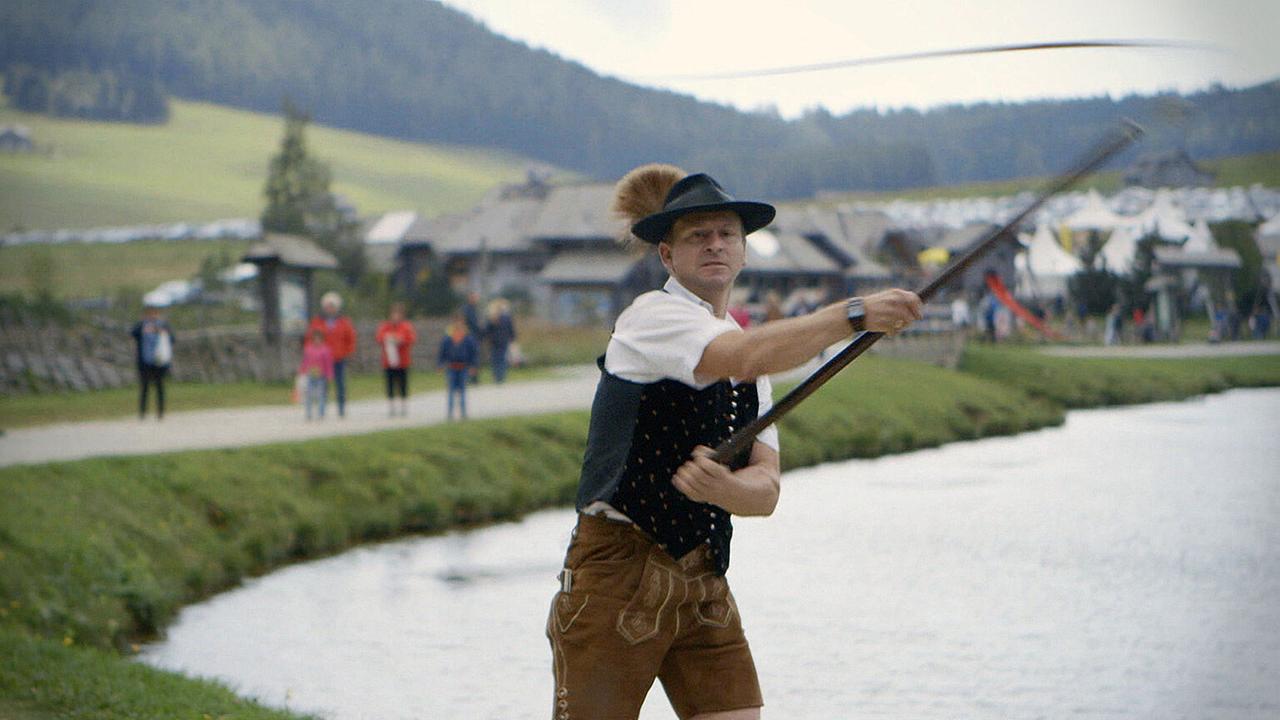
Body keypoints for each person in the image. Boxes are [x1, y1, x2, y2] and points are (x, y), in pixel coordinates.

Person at [546, 165, 922, 719]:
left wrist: (723, 488)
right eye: (698, 236)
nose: (716, 245)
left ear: (744, 251)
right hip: (617, 574)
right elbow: (738, 358)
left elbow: (766, 491)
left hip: (703, 579)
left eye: (727, 234)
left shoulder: (757, 355)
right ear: (668, 257)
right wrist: (854, 314)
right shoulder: (652, 317)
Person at [307, 291, 357, 418]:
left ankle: (341, 408)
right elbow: (310, 338)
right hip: (321, 359)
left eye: (332, 306)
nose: (330, 309)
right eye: (328, 306)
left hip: (338, 357)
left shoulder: (344, 322)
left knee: (340, 383)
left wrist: (348, 352)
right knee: (321, 384)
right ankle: (321, 409)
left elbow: (350, 338)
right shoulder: (317, 321)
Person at [130, 303, 174, 420]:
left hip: (159, 362)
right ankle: (142, 412)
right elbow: (133, 333)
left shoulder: (163, 326)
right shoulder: (141, 326)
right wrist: (143, 326)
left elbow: (172, 339)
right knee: (144, 387)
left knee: (160, 387)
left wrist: (160, 331)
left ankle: (160, 412)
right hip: (145, 361)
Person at [376, 302, 416, 417]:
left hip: (402, 361)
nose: (395, 317)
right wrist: (388, 338)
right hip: (389, 361)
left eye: (398, 314)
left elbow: (411, 338)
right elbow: (379, 337)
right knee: (390, 384)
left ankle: (403, 406)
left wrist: (401, 340)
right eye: (393, 314)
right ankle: (391, 407)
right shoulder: (385, 326)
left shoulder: (406, 326)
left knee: (403, 384)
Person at [438, 313, 479, 420]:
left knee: (463, 391)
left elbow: (473, 353)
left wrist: (473, 366)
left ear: (463, 323)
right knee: (451, 391)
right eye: (456, 322)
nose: (458, 324)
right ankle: (450, 414)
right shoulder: (448, 338)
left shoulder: (468, 337)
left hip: (463, 367)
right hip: (451, 368)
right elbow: (442, 352)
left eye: (460, 322)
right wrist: (440, 364)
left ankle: (463, 413)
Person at [298, 327, 335, 421]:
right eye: (315, 338)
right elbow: (305, 361)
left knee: (321, 395)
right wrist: (302, 370)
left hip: (321, 375)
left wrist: (329, 375)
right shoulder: (308, 349)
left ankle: (321, 413)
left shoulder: (326, 350)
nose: (317, 340)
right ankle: (308, 413)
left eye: (318, 338)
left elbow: (328, 363)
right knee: (309, 395)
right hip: (310, 375)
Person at [485, 298, 517, 384]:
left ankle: (498, 376)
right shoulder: (497, 317)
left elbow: (510, 328)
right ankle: (499, 377)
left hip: (498, 341)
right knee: (499, 359)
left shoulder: (499, 317)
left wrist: (512, 337)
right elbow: (510, 329)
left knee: (498, 359)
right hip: (500, 341)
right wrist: (512, 338)